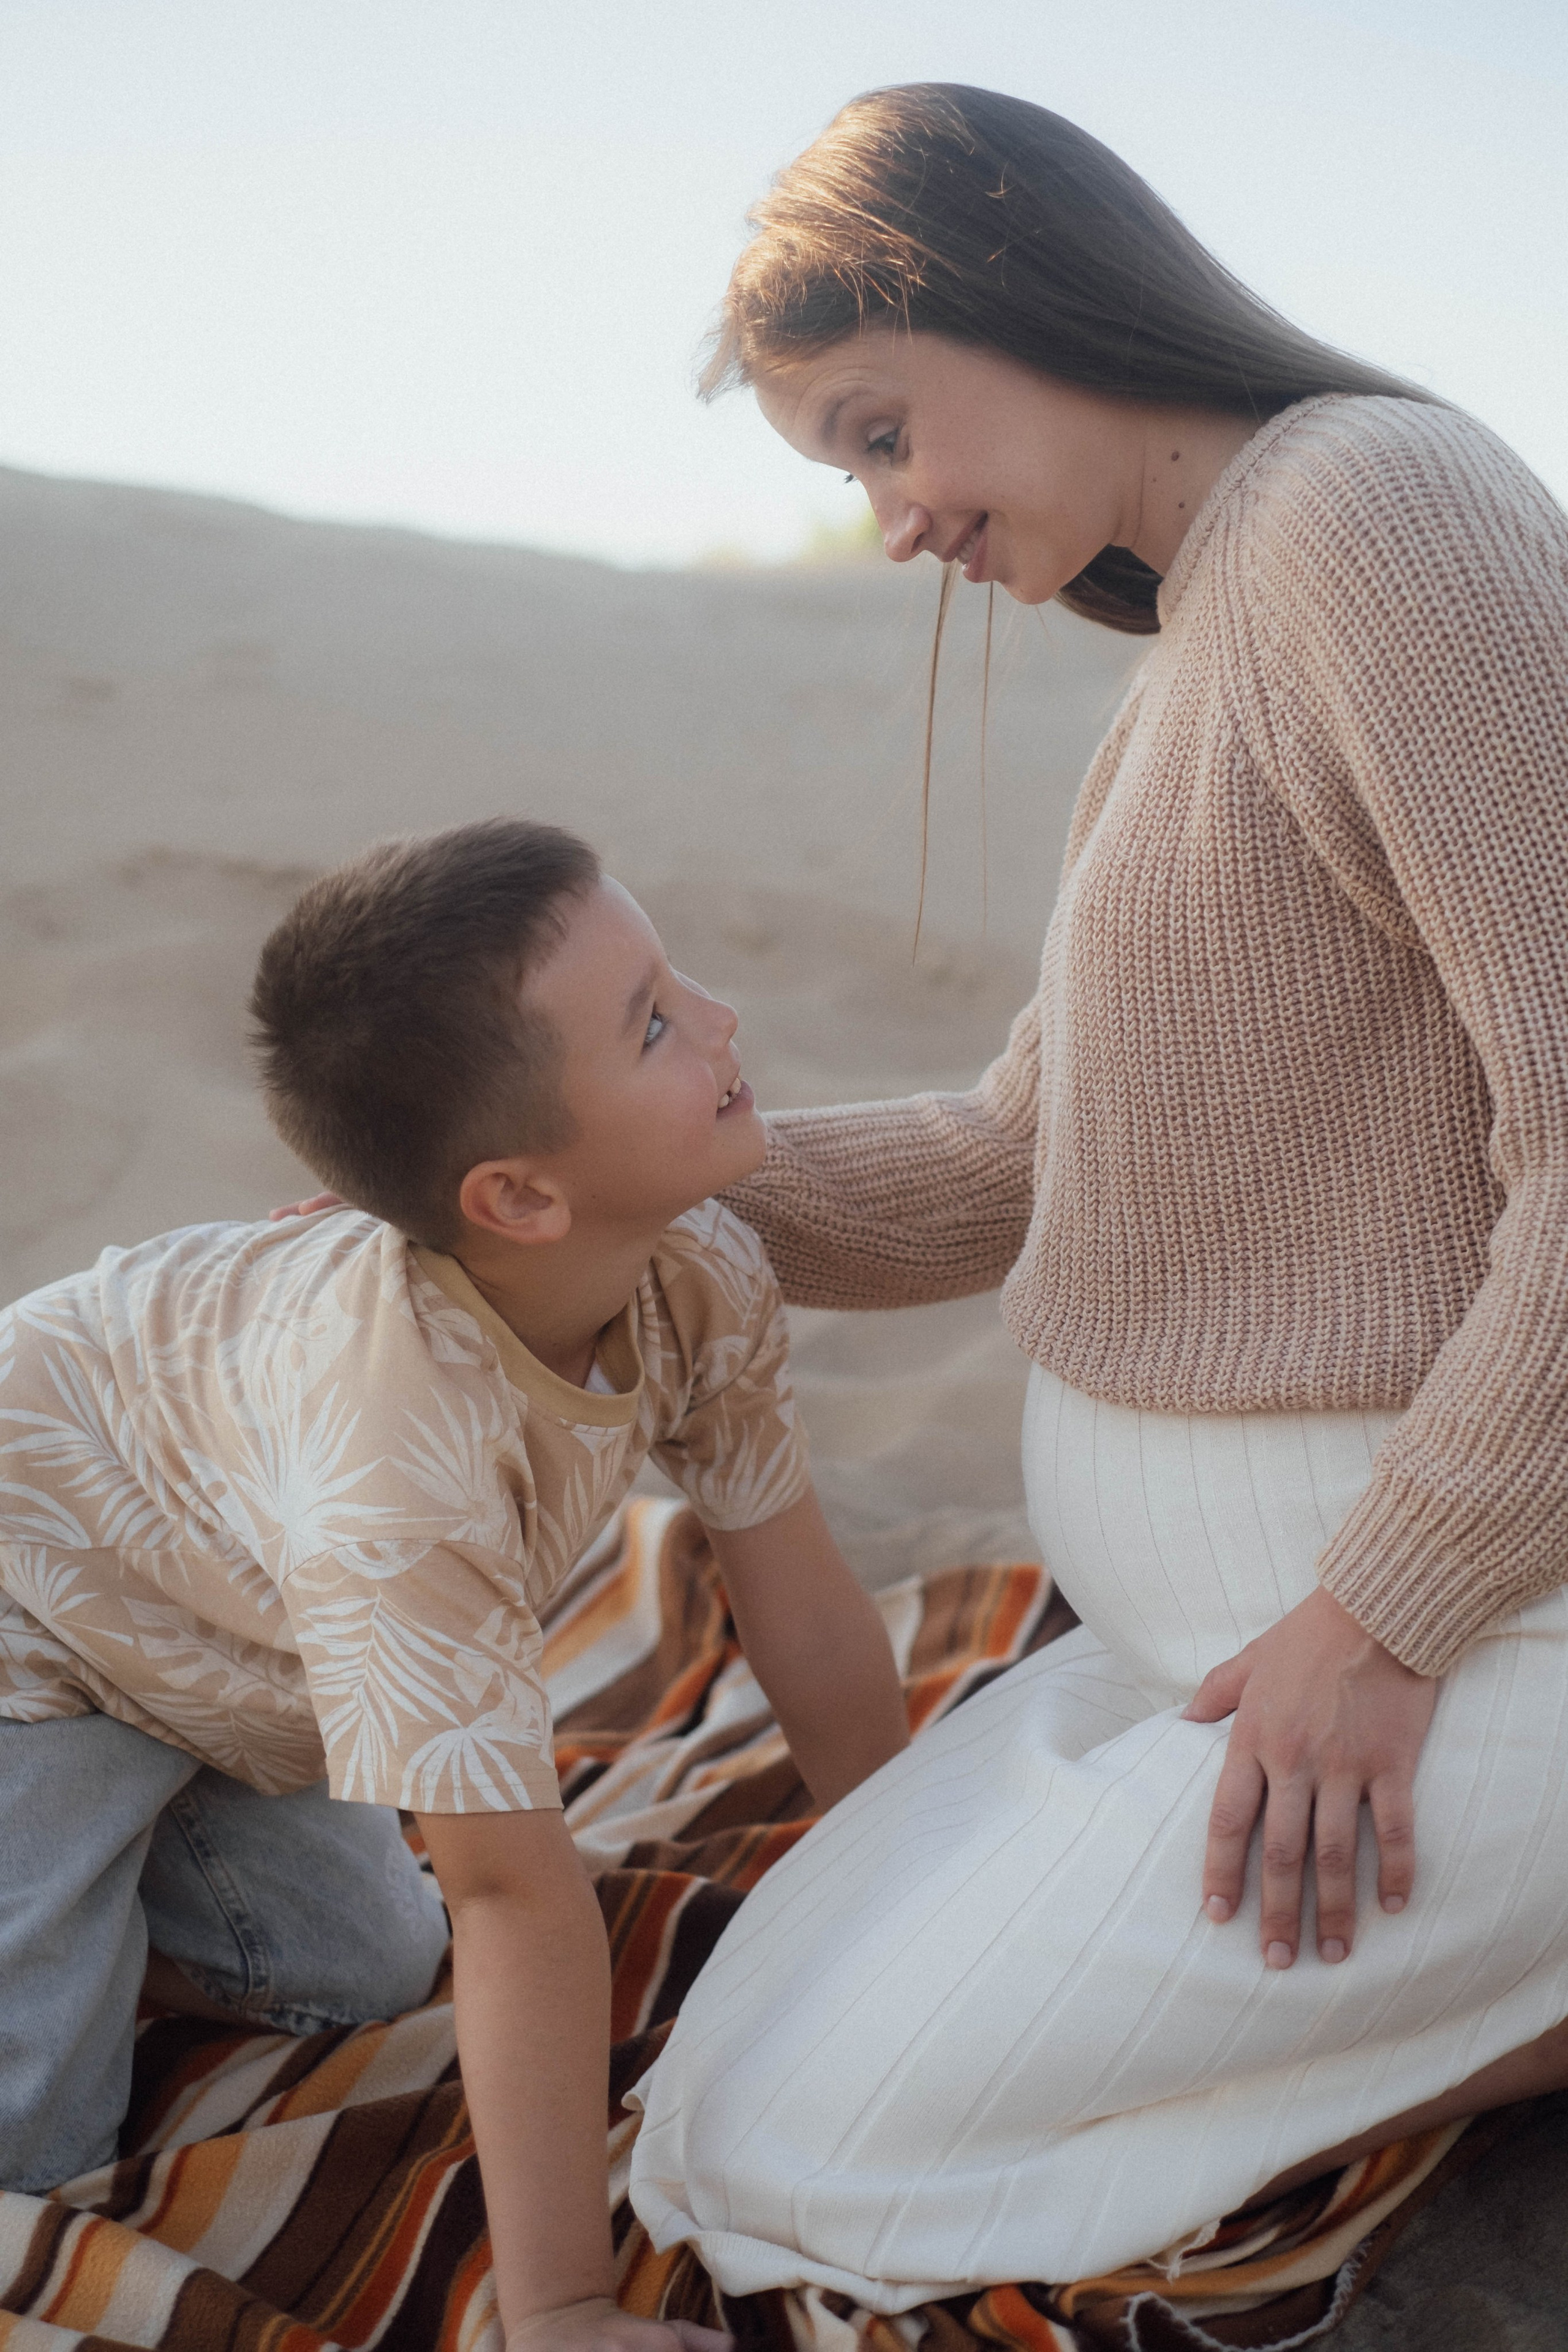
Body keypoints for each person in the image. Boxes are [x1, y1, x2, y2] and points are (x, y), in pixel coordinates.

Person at [627, 83, 1568, 2305]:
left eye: (880, 433)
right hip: (1210, 1648)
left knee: (804, 2164)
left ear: (1013, 284)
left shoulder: (1381, 519)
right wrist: (595, 1228)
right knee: (703, 2088)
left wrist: (1385, 1614)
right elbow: (1016, 1165)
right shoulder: (1216, 623)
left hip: (1451, 1634)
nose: (892, 521)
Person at [0, 818, 909, 2352]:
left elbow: (801, 1605)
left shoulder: (698, 1267)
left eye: (673, 974)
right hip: (35, 1625)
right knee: (34, 2153)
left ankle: (110, 1868)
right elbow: (511, 1888)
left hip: (230, 1656)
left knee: (369, 1969)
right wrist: (555, 2304)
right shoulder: (396, 1478)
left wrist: (915, 1875)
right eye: (653, 1023)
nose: (722, 1018)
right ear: (521, 1200)